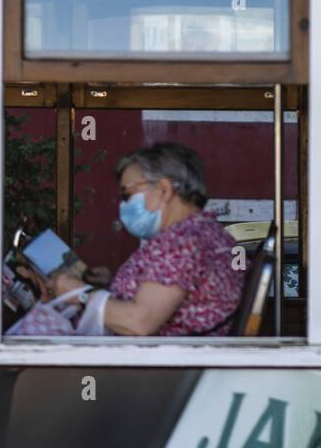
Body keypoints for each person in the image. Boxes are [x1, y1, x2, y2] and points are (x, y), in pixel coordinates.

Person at [48, 142, 243, 336]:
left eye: (128, 193)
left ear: (164, 190)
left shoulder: (181, 241)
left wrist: (79, 294)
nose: (123, 204)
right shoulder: (207, 233)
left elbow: (139, 323)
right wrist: (112, 285)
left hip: (162, 362)